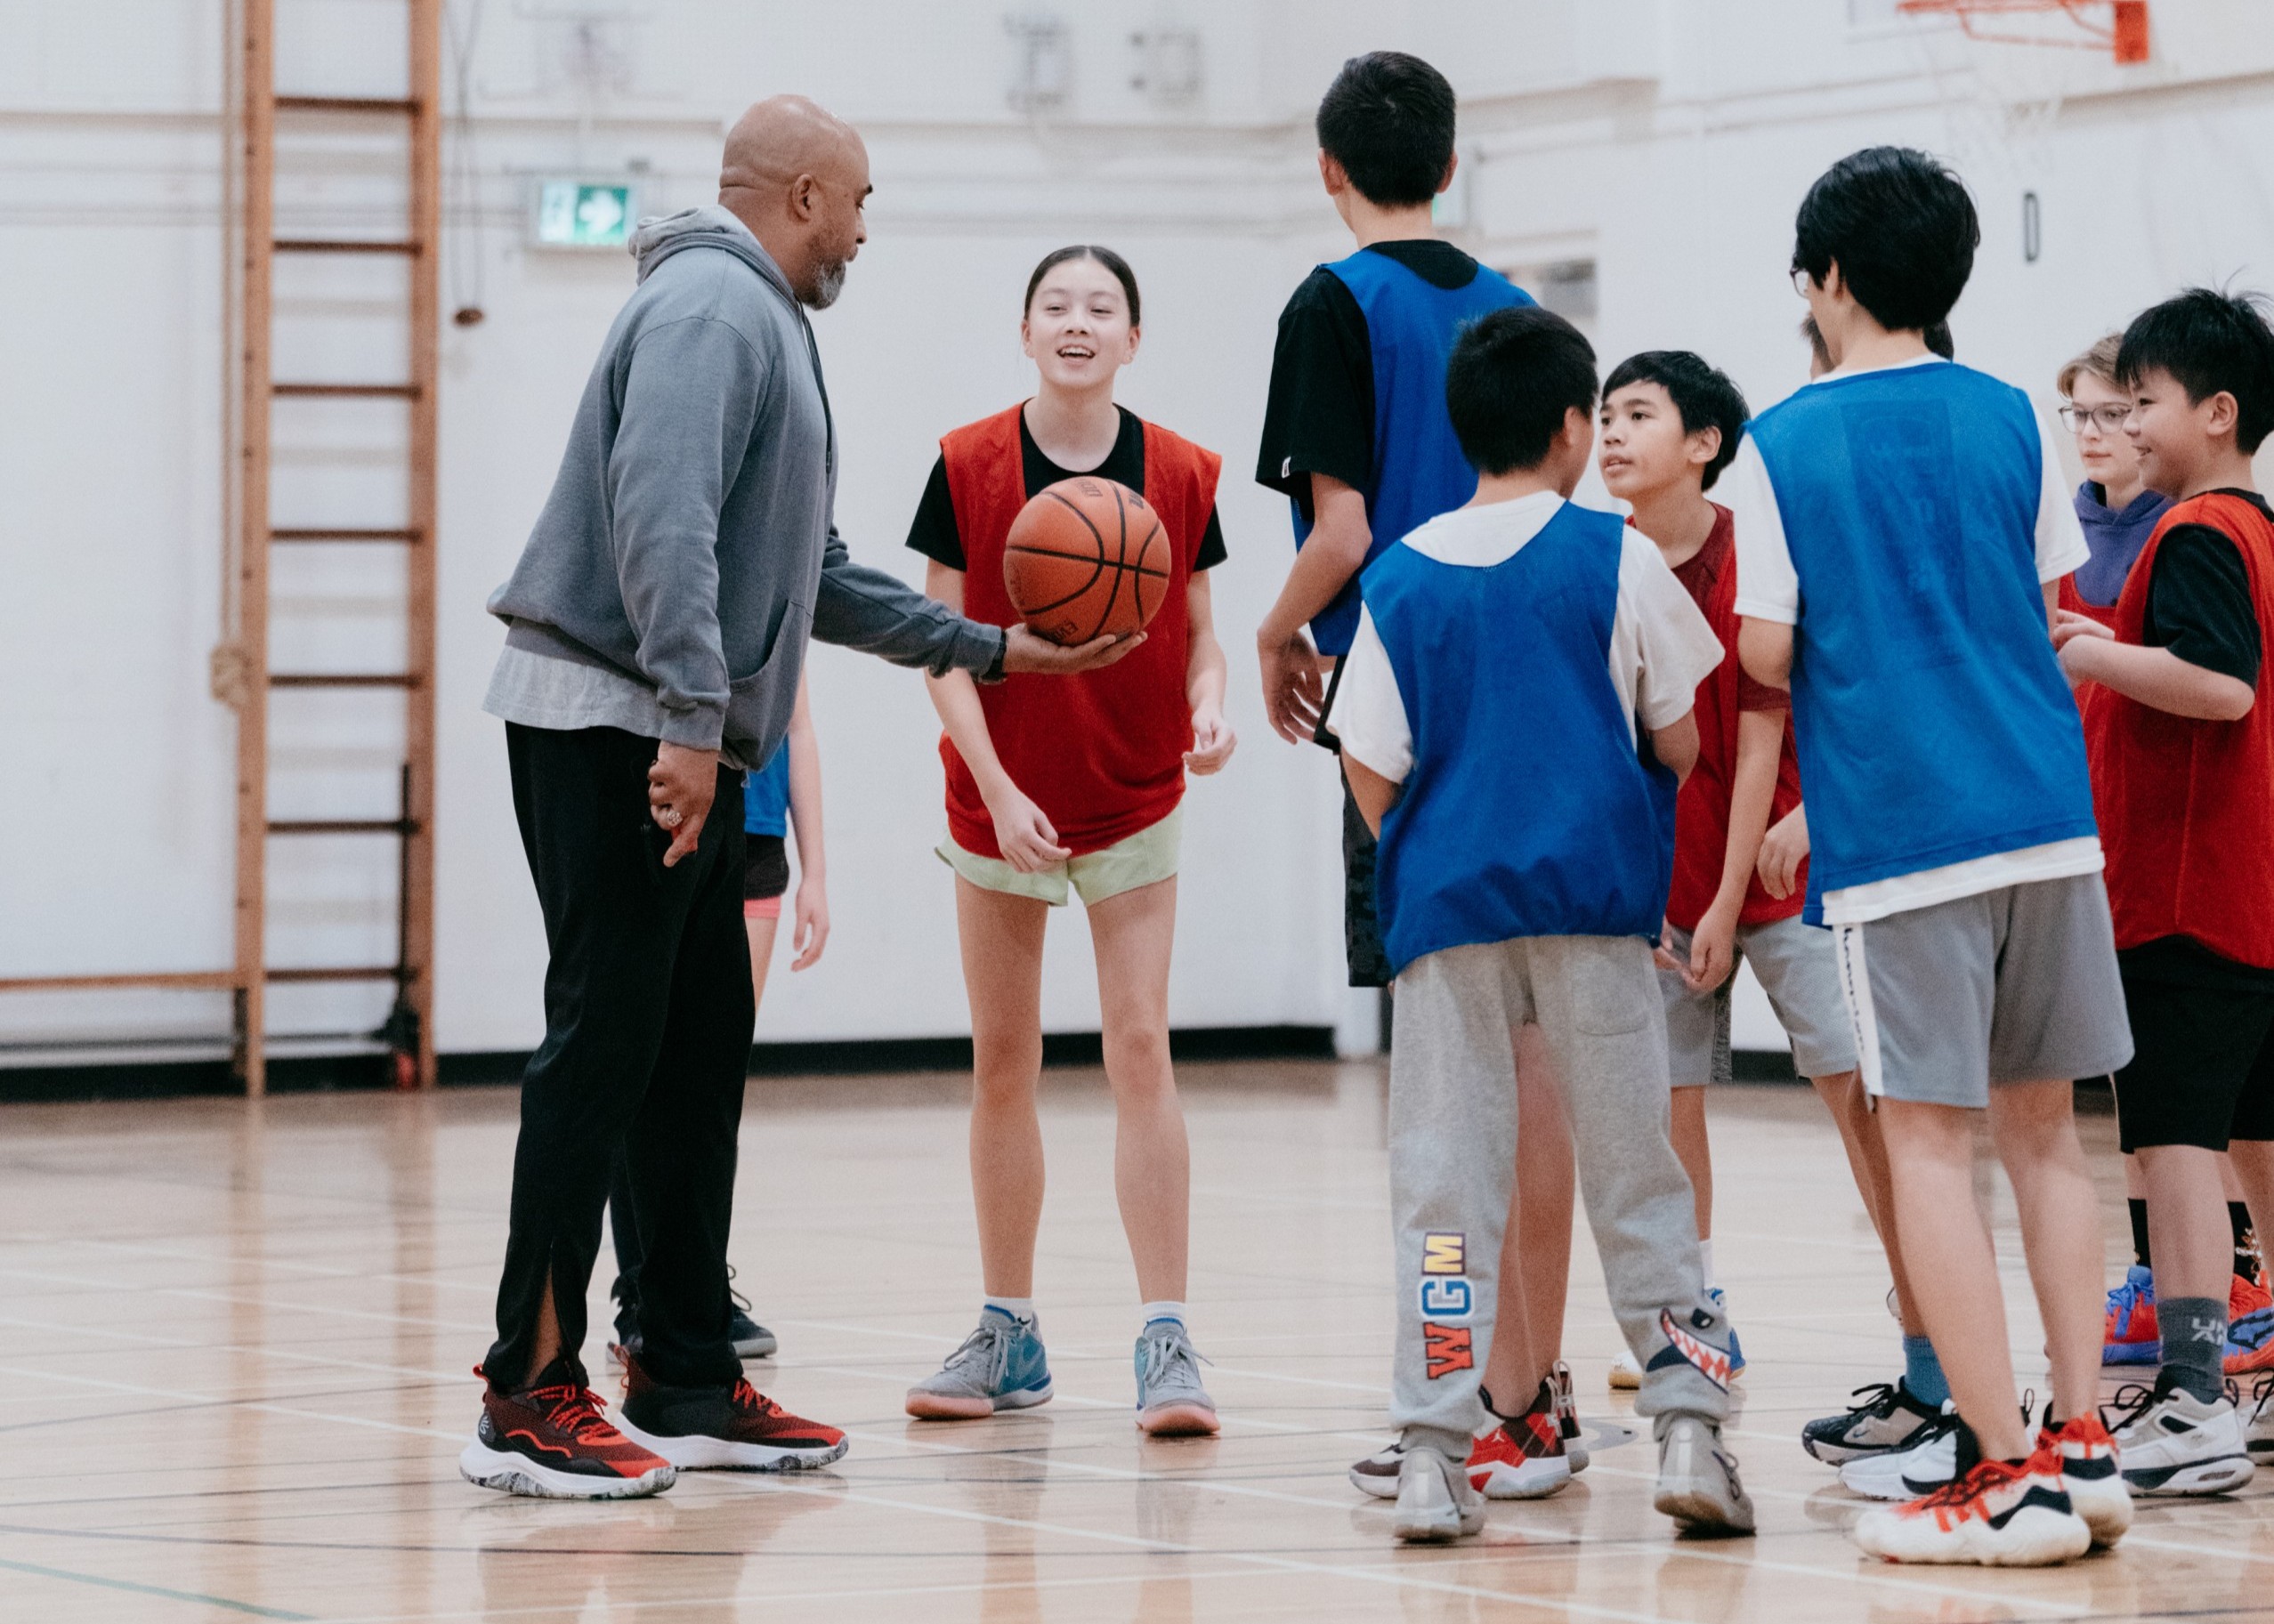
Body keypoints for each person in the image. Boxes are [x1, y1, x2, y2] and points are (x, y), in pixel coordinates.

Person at [462, 96, 1133, 1501]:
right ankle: (526, 1390)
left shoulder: (761, 317)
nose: (867, 231)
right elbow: (657, 515)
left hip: (668, 729)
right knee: (602, 1046)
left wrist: (994, 646)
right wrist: (694, 723)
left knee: (693, 1053)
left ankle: (686, 1373)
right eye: (863, 203)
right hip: (616, 728)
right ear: (808, 194)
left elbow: (807, 568)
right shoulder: (715, 308)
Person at [1730, 146, 2131, 1565]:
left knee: (1927, 1149)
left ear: (1828, 277)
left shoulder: (1776, 443)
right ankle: (2083, 1445)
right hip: (2045, 814)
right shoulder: (2016, 413)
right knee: (2049, 1140)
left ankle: (2004, 1473)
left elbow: (1768, 651)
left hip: (1905, 837)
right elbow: (2041, 611)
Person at [1333, 303, 1752, 1544]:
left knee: (1442, 1193)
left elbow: (1367, 767)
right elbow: (1676, 734)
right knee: (1638, 1177)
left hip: (1446, 921)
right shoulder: (1614, 554)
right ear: (1571, 428)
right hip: (1592, 913)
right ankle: (1685, 1423)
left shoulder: (1397, 574)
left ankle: (1429, 1447)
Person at [901, 245, 1236, 1436]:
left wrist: (1207, 703)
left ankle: (1166, 1335)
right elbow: (931, 642)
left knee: (1139, 1045)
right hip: (998, 790)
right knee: (1003, 1056)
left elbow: (1201, 632)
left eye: (1101, 308)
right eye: (1056, 305)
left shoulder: (1185, 472)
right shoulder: (965, 464)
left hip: (1133, 788)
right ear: (1026, 330)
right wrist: (992, 782)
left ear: (1132, 339)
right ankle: (1008, 1328)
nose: (1077, 321)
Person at [1595, 349, 1868, 1403]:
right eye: (1603, 416)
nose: (1611, 433)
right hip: (1659, 885)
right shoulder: (1598, 561)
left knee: (1855, 1092)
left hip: (1778, 864)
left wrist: (1721, 899)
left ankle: (1920, 1307)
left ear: (1702, 444)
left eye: (1638, 414)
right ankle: (1694, 1309)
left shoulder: (1754, 552)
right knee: (1671, 1108)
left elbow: (1763, 732)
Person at [2053, 287, 2274, 1491]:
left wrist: (2078, 647)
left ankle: (2192, 1399)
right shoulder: (2258, 528)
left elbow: (2217, 686)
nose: (2123, 422)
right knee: (2251, 1134)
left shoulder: (2196, 533)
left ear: (2217, 410)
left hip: (2184, 890)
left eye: (2141, 401)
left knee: (2172, 1142)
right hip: (2248, 890)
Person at [1253, 50, 1533, 991]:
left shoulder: (1331, 303)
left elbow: (1343, 535)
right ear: (1448, 168)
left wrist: (1272, 629)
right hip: (1518, 666)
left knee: (1424, 975)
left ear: (1328, 166)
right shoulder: (1517, 311)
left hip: (1392, 674)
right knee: (1517, 972)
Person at [1760, 316, 1958, 1488]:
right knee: (1944, 1134)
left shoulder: (1816, 465)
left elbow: (1782, 660)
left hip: (1882, 842)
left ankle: (1956, 1401)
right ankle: (1961, 1394)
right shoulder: (1986, 437)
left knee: (1911, 1132)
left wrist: (1809, 812)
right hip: (1932, 836)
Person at [602, 672, 829, 1369]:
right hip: (681, 822)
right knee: (645, 1072)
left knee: (710, 1083)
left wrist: (815, 871)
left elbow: (798, 730)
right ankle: (640, 1293)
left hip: (757, 846)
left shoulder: (776, 605)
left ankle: (697, 1286)